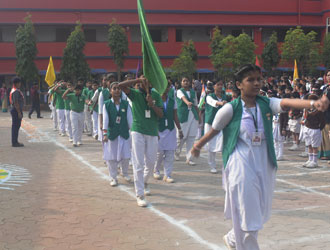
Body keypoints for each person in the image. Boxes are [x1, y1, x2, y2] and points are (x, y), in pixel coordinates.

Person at [190, 64, 327, 250]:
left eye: (258, 79)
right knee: (249, 214)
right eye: (250, 80)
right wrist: (198, 145)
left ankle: (232, 238)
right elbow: (214, 131)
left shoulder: (265, 103)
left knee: (259, 211)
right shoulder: (231, 109)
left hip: (263, 164)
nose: (256, 83)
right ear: (239, 84)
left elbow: (286, 103)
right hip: (240, 165)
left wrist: (313, 103)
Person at [118, 76, 163, 207]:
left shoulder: (155, 94)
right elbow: (121, 85)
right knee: (139, 163)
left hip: (152, 132)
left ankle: (144, 181)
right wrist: (136, 80)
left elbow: (160, 114)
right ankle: (140, 194)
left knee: (151, 162)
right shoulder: (135, 93)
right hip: (138, 130)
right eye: (144, 79)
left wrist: (152, 104)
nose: (146, 81)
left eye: (147, 79)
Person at [103, 82, 132, 186]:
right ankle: (113, 177)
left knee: (126, 155)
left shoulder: (125, 104)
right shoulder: (107, 104)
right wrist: (105, 133)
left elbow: (130, 119)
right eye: (114, 88)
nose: (117, 90)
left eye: (119, 89)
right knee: (112, 157)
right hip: (113, 134)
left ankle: (125, 173)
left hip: (124, 133)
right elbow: (105, 120)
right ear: (110, 91)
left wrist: (132, 131)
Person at [154, 83, 183, 183]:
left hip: (170, 129)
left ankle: (168, 175)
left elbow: (175, 116)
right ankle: (156, 170)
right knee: (159, 153)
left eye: (167, 87)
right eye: (163, 86)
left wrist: (179, 129)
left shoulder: (172, 100)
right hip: (159, 129)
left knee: (170, 153)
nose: (165, 89)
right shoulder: (155, 100)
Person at [204, 80, 229, 173]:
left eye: (221, 85)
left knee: (223, 143)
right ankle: (212, 165)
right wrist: (221, 103)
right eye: (218, 85)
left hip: (221, 123)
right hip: (210, 123)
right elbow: (213, 102)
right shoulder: (209, 96)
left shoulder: (225, 97)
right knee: (211, 144)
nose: (220, 86)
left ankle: (226, 165)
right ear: (214, 86)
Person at [175, 77, 200, 165]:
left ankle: (189, 158)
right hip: (183, 116)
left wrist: (199, 116)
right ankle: (176, 152)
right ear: (181, 83)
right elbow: (183, 98)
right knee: (181, 137)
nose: (185, 82)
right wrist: (187, 103)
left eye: (187, 81)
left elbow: (196, 105)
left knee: (191, 137)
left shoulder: (193, 92)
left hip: (193, 115)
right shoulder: (179, 91)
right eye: (184, 81)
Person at [302, 94, 325, 168]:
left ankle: (314, 161)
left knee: (314, 146)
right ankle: (310, 159)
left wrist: (318, 128)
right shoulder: (307, 108)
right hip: (307, 128)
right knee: (309, 145)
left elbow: (322, 122)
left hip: (314, 129)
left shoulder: (319, 110)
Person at [9, 77, 24, 147]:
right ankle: (14, 142)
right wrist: (19, 112)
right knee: (15, 126)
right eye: (19, 83)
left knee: (16, 126)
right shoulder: (15, 91)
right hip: (16, 110)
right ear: (16, 83)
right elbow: (16, 102)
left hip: (15, 110)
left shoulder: (14, 90)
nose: (20, 84)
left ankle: (15, 141)